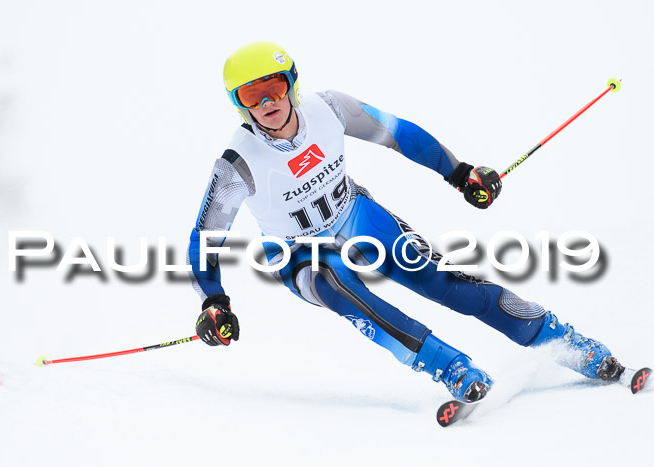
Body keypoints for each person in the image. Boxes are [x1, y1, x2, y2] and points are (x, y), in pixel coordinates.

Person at [188, 41, 624, 403]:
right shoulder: (237, 162)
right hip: (299, 253)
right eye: (250, 96)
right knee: (339, 290)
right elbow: (205, 237)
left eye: (274, 87)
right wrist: (213, 301)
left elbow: (401, 134)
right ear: (238, 104)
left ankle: (565, 342)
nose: (267, 103)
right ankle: (451, 368)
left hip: (355, 215)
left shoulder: (330, 109)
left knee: (441, 280)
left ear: (292, 84)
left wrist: (460, 173)